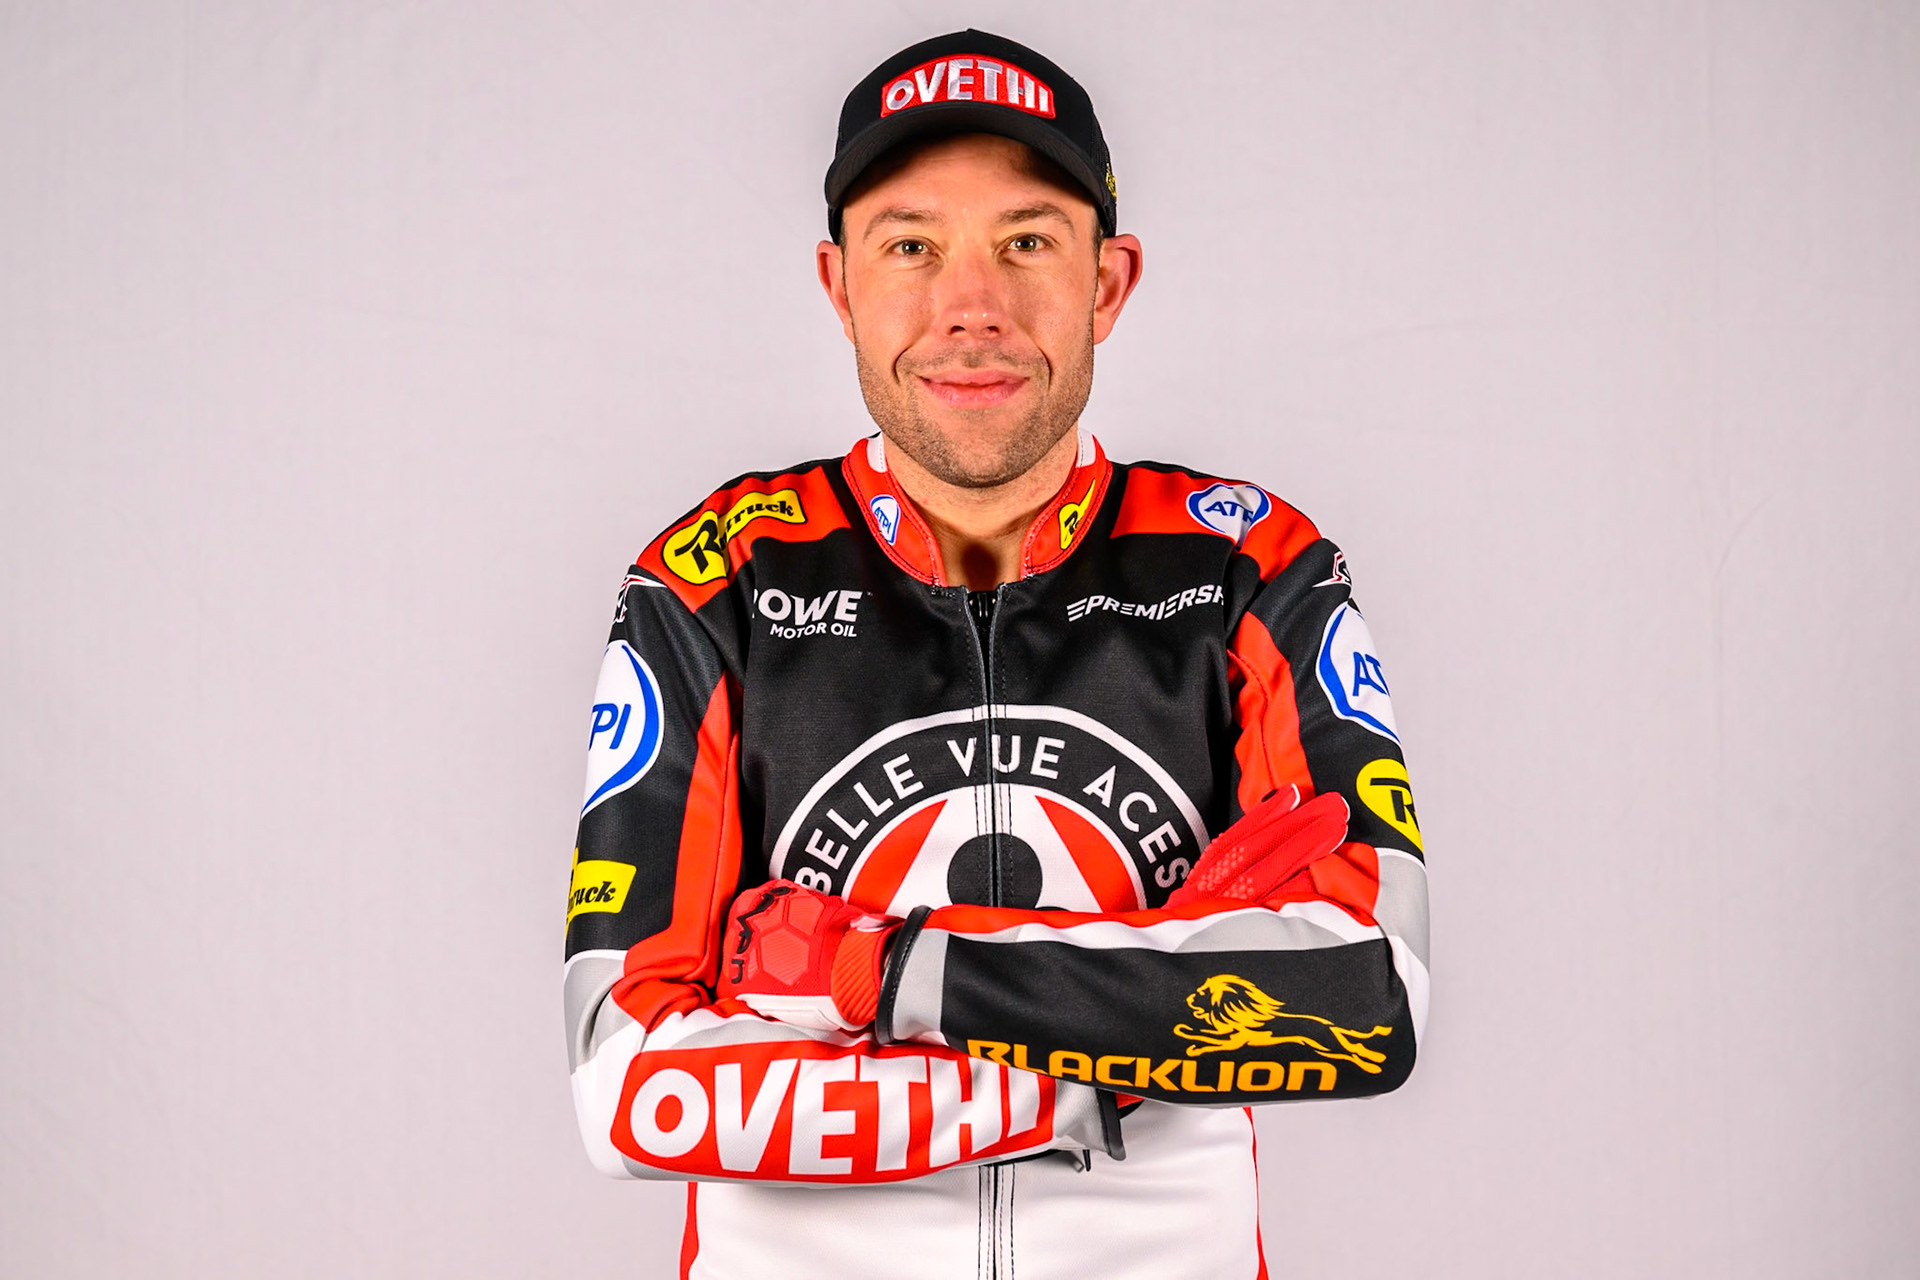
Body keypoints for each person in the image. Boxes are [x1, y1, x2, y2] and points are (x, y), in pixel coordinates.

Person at [563, 29, 1430, 1280]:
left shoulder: (1252, 566)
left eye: (1027, 242)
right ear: (839, 284)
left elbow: (1364, 1002)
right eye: (911, 246)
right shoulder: (715, 581)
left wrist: (879, 965)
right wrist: (1101, 1070)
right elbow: (630, 1089)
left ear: (1107, 284)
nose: (971, 306)